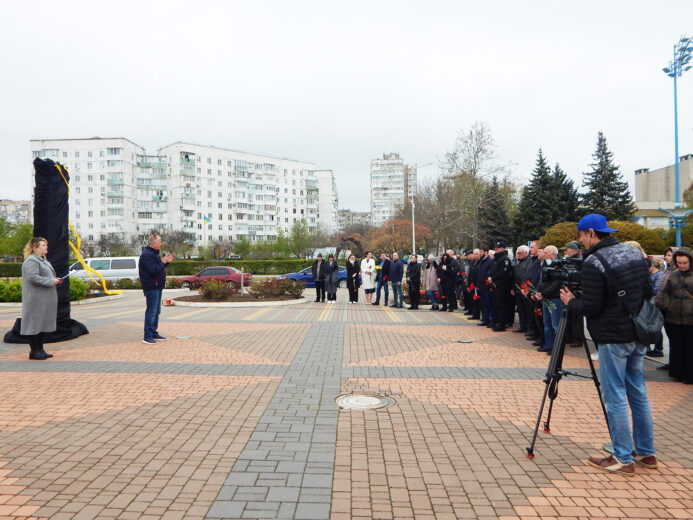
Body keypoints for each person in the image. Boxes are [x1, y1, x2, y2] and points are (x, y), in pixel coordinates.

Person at [560, 214, 656, 476]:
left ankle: (623, 457)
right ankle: (646, 452)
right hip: (638, 333)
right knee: (637, 391)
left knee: (614, 395)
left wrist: (570, 302)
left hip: (614, 338)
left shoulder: (593, 262)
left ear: (591, 232)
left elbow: (591, 307)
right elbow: (648, 290)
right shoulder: (633, 253)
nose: (581, 240)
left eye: (581, 235)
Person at [21, 237, 62, 360]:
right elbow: (33, 278)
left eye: (46, 245)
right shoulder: (31, 261)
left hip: (45, 298)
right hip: (35, 299)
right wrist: (51, 281)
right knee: (35, 324)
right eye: (43, 245)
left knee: (42, 324)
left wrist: (55, 280)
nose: (46, 247)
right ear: (35, 248)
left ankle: (40, 349)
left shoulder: (43, 260)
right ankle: (34, 351)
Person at [657, 247, 693, 384]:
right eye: (679, 263)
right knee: (677, 346)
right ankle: (678, 373)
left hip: (690, 318)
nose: (682, 265)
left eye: (685, 263)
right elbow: (665, 291)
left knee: (690, 348)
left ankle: (689, 375)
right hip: (674, 316)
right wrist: (668, 305)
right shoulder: (674, 274)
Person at [139, 233, 175, 345]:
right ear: (153, 243)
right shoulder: (146, 255)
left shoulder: (153, 254)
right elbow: (153, 270)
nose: (161, 243)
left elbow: (159, 269)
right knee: (152, 311)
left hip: (157, 286)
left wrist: (166, 262)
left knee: (156, 311)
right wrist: (162, 262)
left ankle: (154, 332)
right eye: (159, 241)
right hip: (151, 287)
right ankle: (147, 335)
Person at [534, 245, 563, 354]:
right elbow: (541, 280)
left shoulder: (559, 265)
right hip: (545, 298)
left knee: (555, 325)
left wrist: (543, 293)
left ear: (553, 254)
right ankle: (549, 345)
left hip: (554, 298)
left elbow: (556, 283)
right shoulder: (546, 265)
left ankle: (556, 348)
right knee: (547, 324)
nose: (544, 254)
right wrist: (537, 291)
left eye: (546, 252)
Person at [654, 246, 678, 370]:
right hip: (663, 307)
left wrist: (668, 305)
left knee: (675, 337)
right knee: (671, 337)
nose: (666, 257)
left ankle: (677, 363)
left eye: (669, 255)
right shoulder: (667, 269)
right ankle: (672, 362)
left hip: (672, 309)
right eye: (666, 255)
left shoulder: (677, 271)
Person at [488, 241, 514, 330]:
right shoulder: (496, 259)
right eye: (495, 248)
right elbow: (492, 270)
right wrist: (490, 276)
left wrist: (493, 277)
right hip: (495, 285)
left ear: (502, 249)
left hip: (502, 286)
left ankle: (502, 324)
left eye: (498, 248)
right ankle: (497, 322)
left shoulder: (505, 259)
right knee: (496, 304)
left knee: (502, 305)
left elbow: (503, 272)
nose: (496, 249)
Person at [646, 258, 665, 358]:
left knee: (656, 327)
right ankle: (648, 347)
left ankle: (658, 349)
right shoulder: (651, 275)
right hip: (649, 303)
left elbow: (656, 290)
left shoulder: (659, 275)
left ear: (652, 266)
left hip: (654, 304)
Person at [511, 245, 532, 333]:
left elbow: (527, 276)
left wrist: (525, 288)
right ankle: (523, 326)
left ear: (526, 253)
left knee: (527, 310)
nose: (517, 255)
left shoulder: (529, 262)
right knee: (520, 309)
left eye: (519, 253)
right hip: (518, 289)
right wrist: (513, 288)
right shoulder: (518, 262)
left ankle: (529, 327)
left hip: (524, 289)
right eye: (517, 253)